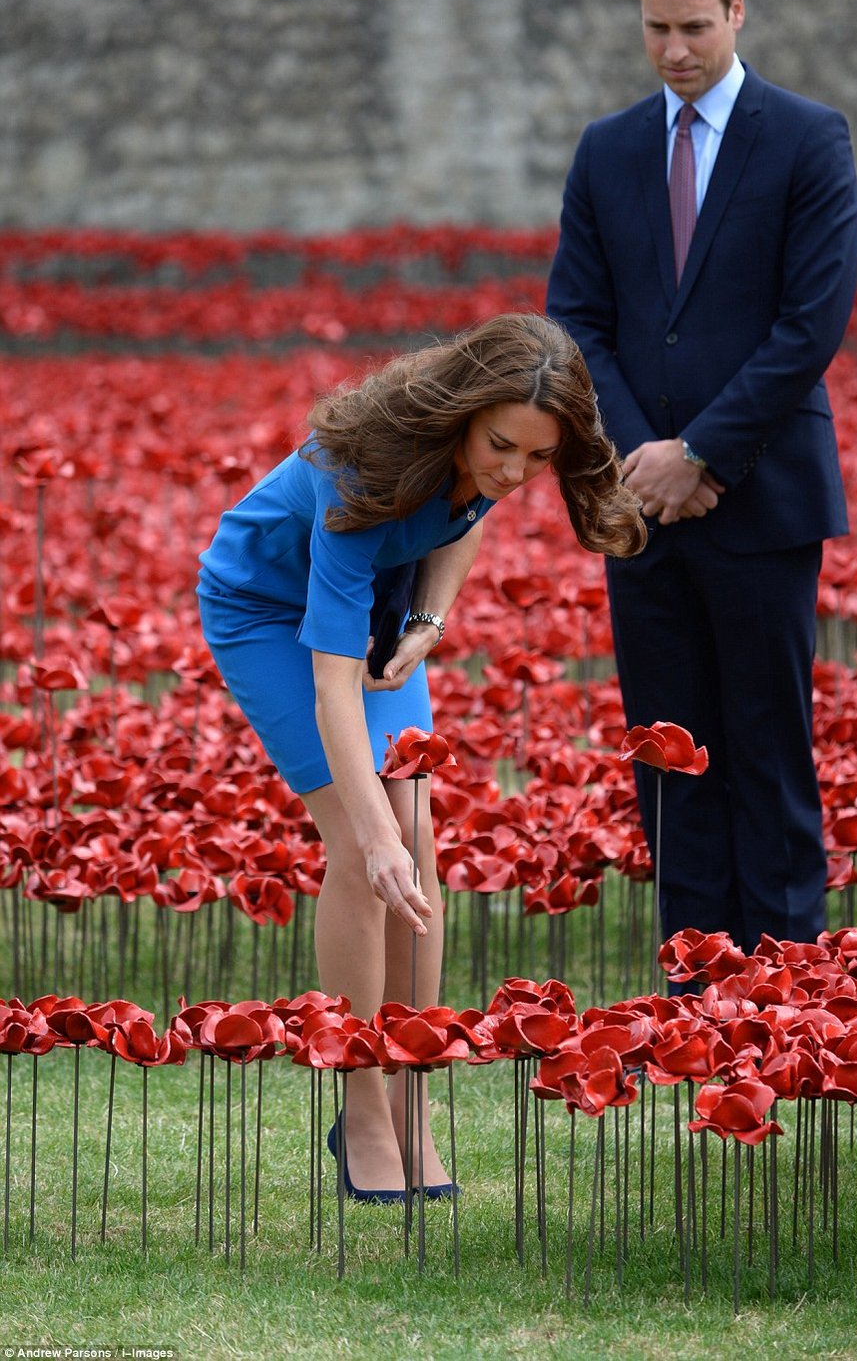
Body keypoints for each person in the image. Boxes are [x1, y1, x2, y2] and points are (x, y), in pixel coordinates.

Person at [197, 312, 645, 1199]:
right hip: (266, 616)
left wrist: (430, 625)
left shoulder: (483, 458)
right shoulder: (362, 471)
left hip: (382, 609)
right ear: (462, 416)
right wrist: (369, 837)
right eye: (501, 446)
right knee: (365, 851)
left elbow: (463, 521)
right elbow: (333, 689)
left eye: (536, 457)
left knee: (419, 835)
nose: (513, 472)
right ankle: (361, 1099)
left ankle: (414, 1091)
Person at [546, 0, 857, 961]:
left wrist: (705, 454)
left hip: (761, 504)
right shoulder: (607, 149)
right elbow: (577, 321)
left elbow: (809, 324)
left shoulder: (808, 139)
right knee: (668, 764)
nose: (675, 49)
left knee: (770, 754)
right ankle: (694, 1002)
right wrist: (645, 457)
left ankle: (782, 999)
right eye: (655, 28)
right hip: (641, 511)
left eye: (693, 26)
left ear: (736, 12)